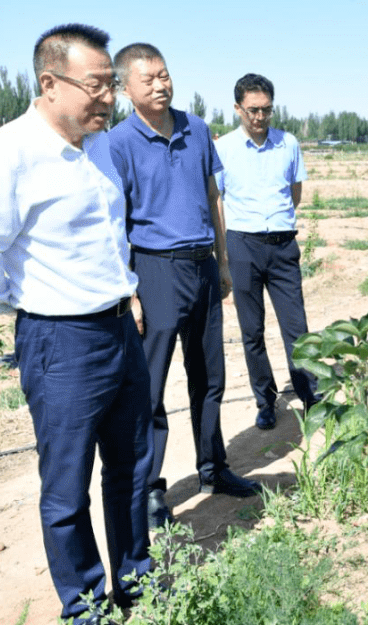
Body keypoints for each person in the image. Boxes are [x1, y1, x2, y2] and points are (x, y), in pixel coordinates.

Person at [0, 24, 152, 625]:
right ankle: (86, 605)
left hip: (119, 330)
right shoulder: (10, 152)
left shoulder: (100, 148)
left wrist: (127, 296)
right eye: (97, 85)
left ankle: (138, 585)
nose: (109, 98)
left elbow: (110, 239)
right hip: (60, 341)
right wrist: (24, 307)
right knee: (66, 487)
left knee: (133, 469)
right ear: (50, 83)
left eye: (111, 85)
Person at [107, 44, 261, 529]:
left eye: (165, 75)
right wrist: (129, 291)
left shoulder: (196, 129)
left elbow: (213, 196)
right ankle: (151, 490)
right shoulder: (119, 142)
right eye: (148, 78)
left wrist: (222, 262)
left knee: (209, 377)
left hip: (201, 266)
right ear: (125, 89)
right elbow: (113, 222)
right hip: (153, 269)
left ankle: (213, 467)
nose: (160, 84)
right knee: (149, 388)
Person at [213, 74, 320, 430]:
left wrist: (277, 223)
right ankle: (265, 401)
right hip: (243, 246)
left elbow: (295, 193)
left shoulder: (287, 144)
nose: (259, 117)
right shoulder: (223, 149)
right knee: (252, 331)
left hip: (282, 246)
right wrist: (224, 257)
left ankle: (310, 397)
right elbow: (218, 201)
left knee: (297, 328)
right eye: (253, 110)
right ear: (238, 108)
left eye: (266, 110)